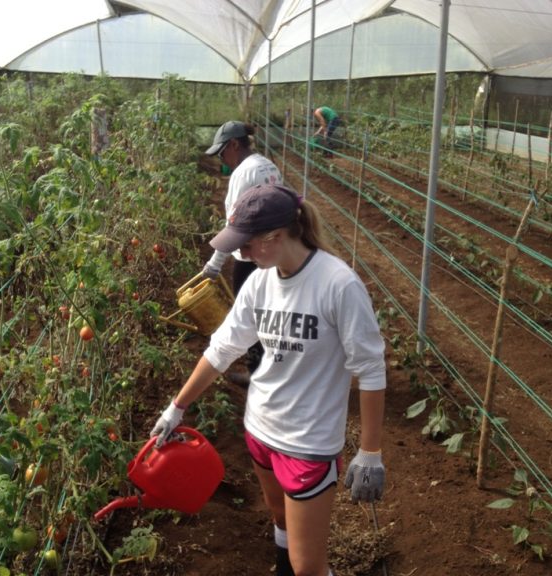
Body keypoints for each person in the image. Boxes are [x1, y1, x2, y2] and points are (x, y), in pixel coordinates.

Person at [151, 183, 386, 576]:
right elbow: (221, 350)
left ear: (276, 236)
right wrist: (176, 408)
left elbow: (371, 368)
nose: (239, 255)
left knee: (308, 565)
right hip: (260, 431)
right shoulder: (260, 282)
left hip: (307, 444)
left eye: (245, 245)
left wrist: (371, 453)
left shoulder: (338, 285)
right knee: (279, 520)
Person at [202, 120, 283, 384]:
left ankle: (256, 373)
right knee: (268, 309)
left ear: (234, 145)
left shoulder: (243, 173)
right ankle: (269, 367)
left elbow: (234, 222)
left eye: (222, 152)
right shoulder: (267, 165)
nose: (221, 159)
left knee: (249, 311)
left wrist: (215, 264)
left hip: (251, 253)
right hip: (272, 249)